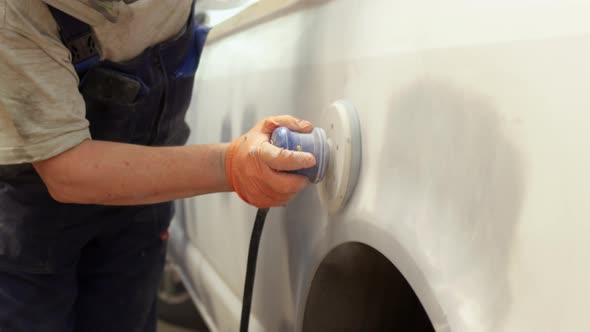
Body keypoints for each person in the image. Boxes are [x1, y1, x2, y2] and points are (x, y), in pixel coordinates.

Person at [0, 0, 316, 331]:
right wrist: (231, 164)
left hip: (141, 206)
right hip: (34, 216)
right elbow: (68, 171)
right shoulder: (16, 12)